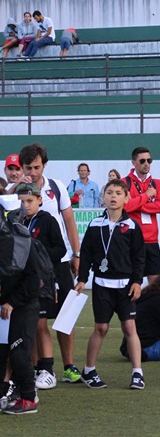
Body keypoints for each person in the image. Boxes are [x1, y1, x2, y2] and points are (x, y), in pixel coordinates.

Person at [18, 143, 83, 384]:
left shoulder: (56, 186)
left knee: (66, 317)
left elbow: (69, 221)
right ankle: (40, 368)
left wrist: (76, 254)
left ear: (44, 165)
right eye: (28, 168)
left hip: (60, 262)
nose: (33, 172)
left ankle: (69, 366)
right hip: (32, 268)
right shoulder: (17, 192)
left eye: (37, 167)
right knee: (37, 319)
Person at [75, 179, 146, 389]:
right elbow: (86, 254)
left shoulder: (132, 226)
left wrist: (137, 282)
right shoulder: (95, 224)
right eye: (109, 192)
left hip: (125, 286)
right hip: (102, 285)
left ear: (126, 198)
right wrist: (82, 279)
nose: (113, 196)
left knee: (129, 326)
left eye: (118, 193)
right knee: (101, 327)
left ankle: (137, 373)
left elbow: (139, 258)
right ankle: (89, 370)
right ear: (103, 197)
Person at [12, 182, 65, 392]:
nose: (25, 205)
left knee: (41, 325)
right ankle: (33, 368)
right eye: (22, 201)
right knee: (28, 326)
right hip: (21, 282)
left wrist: (38, 257)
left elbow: (60, 249)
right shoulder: (15, 222)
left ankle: (48, 369)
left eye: (30, 200)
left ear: (40, 200)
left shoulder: (47, 220)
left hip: (42, 281)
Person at [0, 200, 43, 414]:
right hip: (7, 305)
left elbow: (34, 280)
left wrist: (12, 302)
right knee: (4, 352)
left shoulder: (24, 243)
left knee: (18, 352)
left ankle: (28, 398)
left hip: (23, 305)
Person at [124, 147, 160, 283]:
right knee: (132, 283)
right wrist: (146, 196)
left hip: (152, 241)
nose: (146, 164)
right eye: (142, 161)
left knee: (156, 284)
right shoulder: (124, 183)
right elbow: (125, 207)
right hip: (132, 240)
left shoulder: (157, 183)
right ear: (134, 162)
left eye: (149, 160)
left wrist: (137, 204)